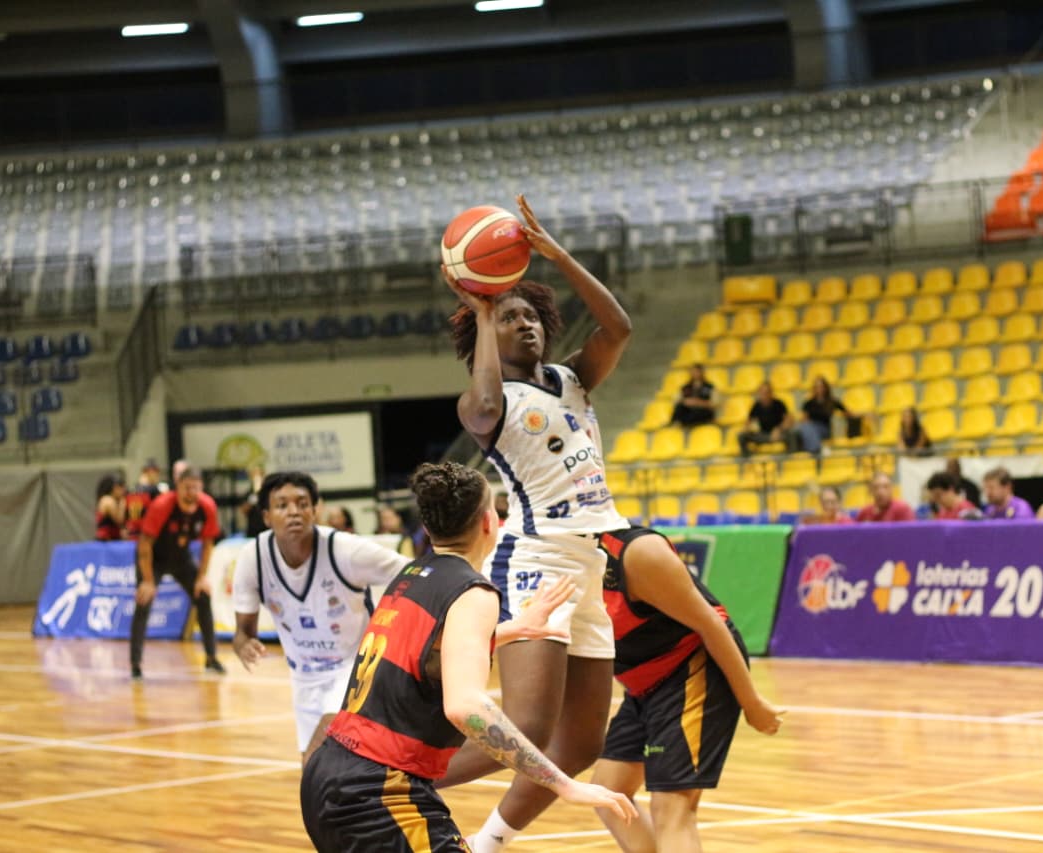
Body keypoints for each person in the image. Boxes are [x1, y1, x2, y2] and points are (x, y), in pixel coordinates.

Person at [300, 462, 636, 851]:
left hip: (328, 774)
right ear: (491, 522)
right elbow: (465, 708)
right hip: (378, 792)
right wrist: (562, 782)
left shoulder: (412, 575)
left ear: (428, 527)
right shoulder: (473, 591)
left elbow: (432, 648)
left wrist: (518, 628)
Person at [441, 194, 637, 851]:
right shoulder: (485, 401)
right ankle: (399, 771)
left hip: (592, 564)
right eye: (510, 316)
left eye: (531, 314)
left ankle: (485, 842)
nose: (524, 323)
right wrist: (484, 303)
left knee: (582, 740)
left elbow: (619, 329)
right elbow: (487, 398)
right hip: (538, 560)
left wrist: (555, 254)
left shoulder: (571, 378)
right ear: (483, 334)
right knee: (522, 723)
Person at [495, 525, 783, 852]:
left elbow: (712, 624)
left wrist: (751, 702)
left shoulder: (638, 553)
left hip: (691, 669)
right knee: (610, 792)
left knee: (672, 807)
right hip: (643, 687)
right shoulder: (545, 564)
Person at [232, 472, 411, 762]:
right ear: (266, 516)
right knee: (316, 781)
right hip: (304, 677)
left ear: (316, 510)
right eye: (282, 505)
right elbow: (243, 631)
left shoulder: (345, 550)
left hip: (357, 668)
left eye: (302, 503)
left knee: (318, 760)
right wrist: (244, 646)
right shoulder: (252, 558)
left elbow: (413, 572)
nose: (293, 512)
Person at [130, 467, 225, 679]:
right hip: (153, 557)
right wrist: (147, 581)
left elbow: (208, 544)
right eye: (186, 487)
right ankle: (135, 665)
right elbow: (144, 543)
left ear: (201, 488)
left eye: (195, 487)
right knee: (144, 601)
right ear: (178, 487)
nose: (191, 492)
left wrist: (201, 577)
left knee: (203, 596)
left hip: (181, 557)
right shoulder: (162, 505)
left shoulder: (207, 506)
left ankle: (211, 659)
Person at [737, 381, 798, 456]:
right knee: (741, 436)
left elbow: (789, 420)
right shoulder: (756, 405)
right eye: (762, 392)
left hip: (778, 434)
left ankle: (791, 459)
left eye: (767, 392)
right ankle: (747, 459)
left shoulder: (779, 404)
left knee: (793, 434)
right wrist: (748, 428)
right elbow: (749, 421)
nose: (764, 395)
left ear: (771, 393)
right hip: (763, 434)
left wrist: (779, 429)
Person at [793, 377, 849, 453]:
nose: (819, 389)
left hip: (824, 429)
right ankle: (817, 449)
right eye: (817, 387)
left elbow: (848, 413)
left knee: (806, 428)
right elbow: (804, 419)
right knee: (804, 428)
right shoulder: (808, 403)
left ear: (826, 388)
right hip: (810, 428)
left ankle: (814, 450)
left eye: (821, 386)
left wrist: (863, 414)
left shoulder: (832, 401)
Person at [124, 460, 163, 539]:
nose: (157, 476)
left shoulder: (130, 490)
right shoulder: (153, 490)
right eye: (156, 472)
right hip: (147, 536)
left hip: (131, 535)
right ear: (150, 472)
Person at [94, 473, 127, 541]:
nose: (123, 490)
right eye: (120, 487)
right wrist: (122, 502)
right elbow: (119, 520)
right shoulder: (107, 500)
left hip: (114, 540)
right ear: (113, 488)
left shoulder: (115, 501)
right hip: (105, 542)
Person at [239, 465, 268, 537]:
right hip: (252, 531)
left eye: (259, 474)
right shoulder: (248, 493)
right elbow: (243, 511)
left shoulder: (268, 492)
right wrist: (251, 501)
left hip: (266, 529)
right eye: (254, 475)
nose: (256, 477)